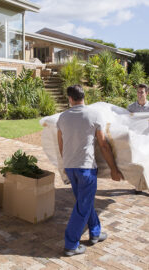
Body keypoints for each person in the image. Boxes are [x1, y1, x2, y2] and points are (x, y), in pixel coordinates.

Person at [57, 85, 123, 257]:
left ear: (70, 99)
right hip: (86, 168)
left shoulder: (62, 117)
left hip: (70, 167)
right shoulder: (94, 114)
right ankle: (71, 244)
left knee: (84, 202)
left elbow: (61, 144)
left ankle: (95, 232)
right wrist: (114, 169)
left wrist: (65, 164)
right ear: (84, 97)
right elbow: (103, 145)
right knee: (83, 206)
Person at [127, 83, 149, 194]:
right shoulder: (131, 108)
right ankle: (139, 186)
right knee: (138, 164)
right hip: (136, 140)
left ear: (147, 93)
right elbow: (127, 122)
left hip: (148, 139)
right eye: (138, 92)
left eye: (142, 92)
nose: (139, 94)